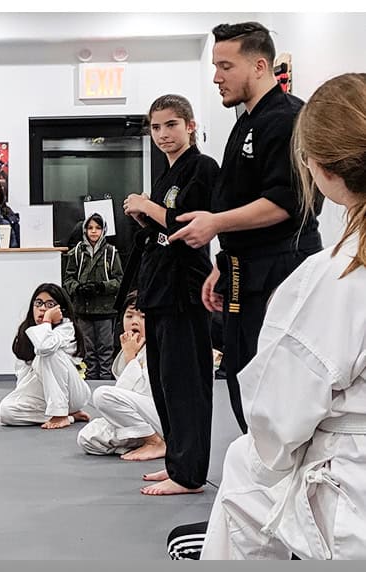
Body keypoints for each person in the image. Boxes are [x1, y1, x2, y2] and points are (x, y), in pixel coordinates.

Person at [199, 73, 366, 560]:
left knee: (243, 465)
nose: (217, 76)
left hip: (351, 495)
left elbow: (278, 421)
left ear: (321, 169)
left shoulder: (334, 277)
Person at [169, 22, 323, 434]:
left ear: (259, 65)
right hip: (244, 268)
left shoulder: (288, 118)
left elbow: (285, 204)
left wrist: (215, 223)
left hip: (282, 268)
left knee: (274, 380)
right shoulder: (245, 122)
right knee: (240, 370)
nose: (217, 77)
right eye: (214, 67)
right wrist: (223, 262)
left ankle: (283, 486)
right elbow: (240, 196)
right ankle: (261, 481)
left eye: (225, 66)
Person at [120, 94, 219, 496]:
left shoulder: (203, 169)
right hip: (159, 289)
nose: (163, 135)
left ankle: (191, 474)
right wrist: (145, 215)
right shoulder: (166, 174)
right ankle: (177, 462)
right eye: (156, 127)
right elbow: (162, 231)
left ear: (190, 126)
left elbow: (189, 225)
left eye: (171, 125)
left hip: (185, 289)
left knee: (186, 384)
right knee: (164, 384)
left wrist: (149, 206)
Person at [77, 291, 164, 459]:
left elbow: (140, 392)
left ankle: (155, 442)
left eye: (143, 317)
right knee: (87, 438)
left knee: (102, 395)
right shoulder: (132, 347)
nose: (134, 322)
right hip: (141, 417)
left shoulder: (160, 347)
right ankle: (142, 438)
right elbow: (122, 400)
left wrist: (131, 357)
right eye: (129, 316)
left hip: (161, 416)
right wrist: (130, 355)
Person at [0, 283, 91, 429]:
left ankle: (60, 414)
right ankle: (70, 416)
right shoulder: (27, 330)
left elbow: (44, 346)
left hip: (72, 393)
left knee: (48, 353)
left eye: (50, 304)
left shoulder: (66, 327)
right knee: (6, 411)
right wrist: (20, 404)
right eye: (38, 303)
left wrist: (47, 320)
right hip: (44, 395)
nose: (42, 308)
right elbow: (23, 376)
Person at [62, 213, 123, 380]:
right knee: (87, 349)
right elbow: (68, 279)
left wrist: (101, 287)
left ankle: (104, 381)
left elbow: (120, 280)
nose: (94, 231)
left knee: (105, 349)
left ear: (104, 230)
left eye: (98, 228)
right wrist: (78, 288)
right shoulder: (76, 254)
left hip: (105, 310)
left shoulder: (111, 253)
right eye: (90, 228)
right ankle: (89, 383)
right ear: (84, 230)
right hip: (83, 309)